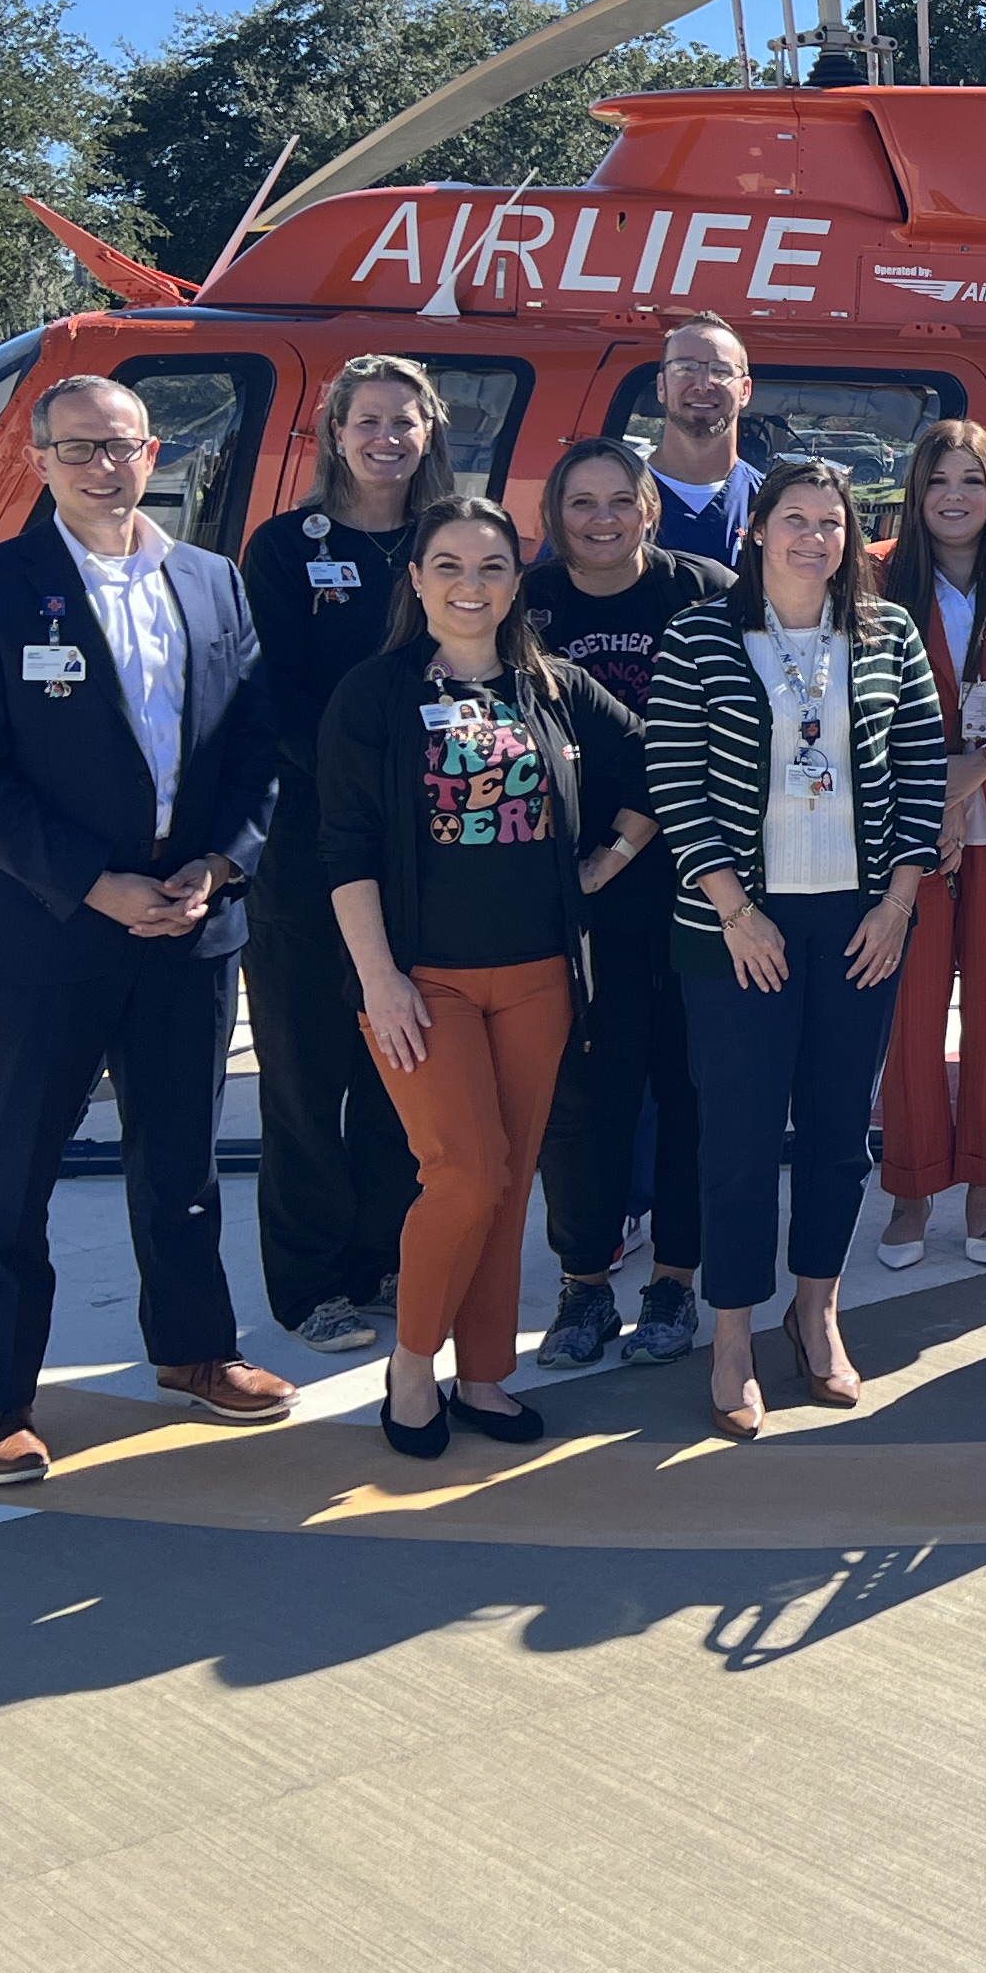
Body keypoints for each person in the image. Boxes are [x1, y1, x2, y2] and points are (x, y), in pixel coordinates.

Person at [0, 376, 294, 1485]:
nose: (102, 467)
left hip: (191, 924)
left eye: (121, 447)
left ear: (154, 453)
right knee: (12, 1172)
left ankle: (193, 1352)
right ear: (39, 459)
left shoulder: (215, 583)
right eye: (77, 448)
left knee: (180, 1162)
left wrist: (222, 864)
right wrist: (96, 886)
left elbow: (255, 747)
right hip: (46, 932)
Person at [319, 496, 650, 1459]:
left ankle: (488, 1372)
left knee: (508, 1186)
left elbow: (658, 761)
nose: (473, 585)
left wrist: (608, 862)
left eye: (495, 566)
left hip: (541, 977)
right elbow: (344, 851)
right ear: (416, 578)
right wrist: (379, 980)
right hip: (427, 983)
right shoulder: (373, 697)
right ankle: (413, 1366)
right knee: (462, 1173)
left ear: (517, 583)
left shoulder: (557, 689)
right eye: (451, 565)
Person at [646, 458, 946, 1440]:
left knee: (834, 1135)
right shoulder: (699, 636)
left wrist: (900, 901)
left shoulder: (888, 634)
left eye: (833, 522)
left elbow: (919, 771)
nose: (814, 537)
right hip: (740, 932)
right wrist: (736, 910)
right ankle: (731, 1334)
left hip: (858, 925)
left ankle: (815, 1311)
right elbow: (674, 780)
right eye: (795, 519)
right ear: (758, 529)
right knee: (733, 1139)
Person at [240, 354, 453, 1354]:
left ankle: (383, 1254)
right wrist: (367, 777)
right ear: (335, 433)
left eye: (403, 423)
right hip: (310, 856)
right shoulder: (286, 550)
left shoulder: (452, 543)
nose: (386, 439)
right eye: (367, 421)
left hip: (428, 861)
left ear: (430, 432)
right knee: (302, 1073)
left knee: (397, 1070)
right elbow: (271, 698)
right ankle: (308, 1283)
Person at [520, 439, 722, 1369]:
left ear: (651, 507)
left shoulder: (704, 592)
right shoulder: (528, 601)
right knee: (584, 1098)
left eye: (619, 501)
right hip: (572, 893)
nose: (600, 520)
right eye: (580, 504)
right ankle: (583, 1287)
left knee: (690, 1086)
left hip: (693, 883)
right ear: (553, 516)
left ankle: (677, 1281)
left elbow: (727, 735)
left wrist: (626, 844)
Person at [866, 418, 986, 1272]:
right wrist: (929, 796)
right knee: (908, 1019)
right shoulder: (873, 573)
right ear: (916, 490)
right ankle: (910, 1190)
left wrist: (975, 771)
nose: (955, 497)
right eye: (939, 480)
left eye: (971, 480)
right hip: (906, 833)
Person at [647, 314, 758, 567]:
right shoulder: (614, 500)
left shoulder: (769, 505)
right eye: (685, 368)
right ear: (661, 386)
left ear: (745, 391)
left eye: (721, 371)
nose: (703, 385)